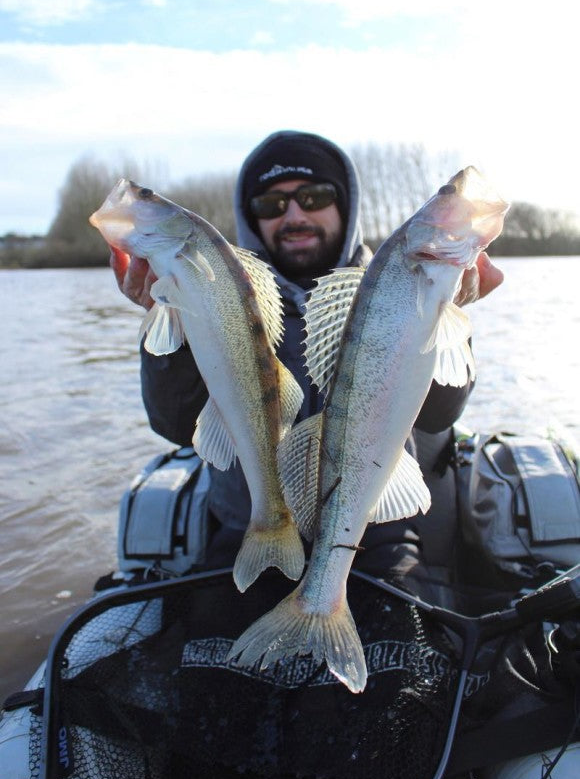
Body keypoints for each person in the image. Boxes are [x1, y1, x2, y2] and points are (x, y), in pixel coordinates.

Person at [110, 129, 503, 582]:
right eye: (270, 205)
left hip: (378, 537)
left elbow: (438, 417)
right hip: (244, 532)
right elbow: (175, 427)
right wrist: (172, 326)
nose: (294, 214)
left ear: (345, 206)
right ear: (251, 219)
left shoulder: (397, 287)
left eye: (313, 197)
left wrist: (445, 311)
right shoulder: (218, 294)